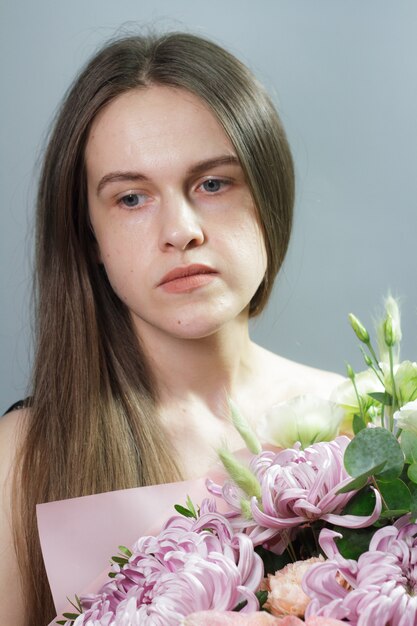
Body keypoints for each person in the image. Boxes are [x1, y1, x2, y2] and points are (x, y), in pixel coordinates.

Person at [0, 31, 341, 626]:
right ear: (90, 238)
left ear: (270, 195)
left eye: (213, 183)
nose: (180, 230)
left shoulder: (365, 420)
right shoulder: (23, 457)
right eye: (131, 198)